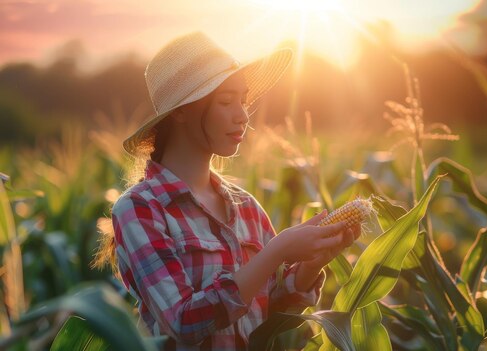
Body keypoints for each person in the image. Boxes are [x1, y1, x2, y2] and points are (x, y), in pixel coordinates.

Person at [94, 31, 360, 350]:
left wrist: (312, 263)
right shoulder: (139, 209)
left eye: (244, 100)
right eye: (225, 101)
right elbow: (183, 322)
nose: (243, 116)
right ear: (180, 111)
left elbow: (270, 311)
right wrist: (276, 251)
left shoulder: (247, 206)